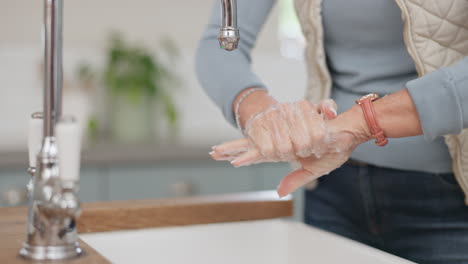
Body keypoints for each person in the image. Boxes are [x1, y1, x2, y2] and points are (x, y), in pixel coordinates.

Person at [196, 0, 468, 263]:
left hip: (455, 199)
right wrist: (257, 109)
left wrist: (359, 124)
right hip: (331, 191)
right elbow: (220, 44)